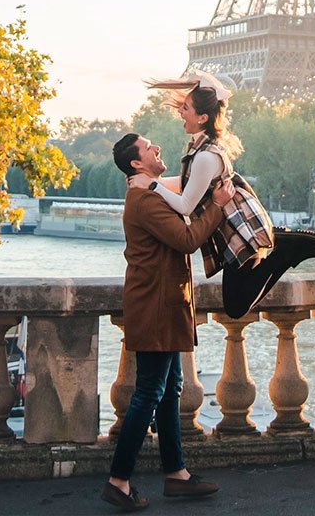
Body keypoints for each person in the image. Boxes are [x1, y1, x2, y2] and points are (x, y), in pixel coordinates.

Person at [129, 72, 315, 319]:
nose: (180, 113)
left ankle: (286, 249)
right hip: (233, 227)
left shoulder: (204, 156)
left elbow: (184, 206)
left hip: (238, 228)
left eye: (186, 108)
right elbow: (188, 184)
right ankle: (282, 243)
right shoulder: (201, 149)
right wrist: (152, 181)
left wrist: (152, 186)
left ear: (203, 117)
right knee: (238, 301)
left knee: (236, 306)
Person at [102, 132, 236, 511]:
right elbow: (188, 237)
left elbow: (186, 187)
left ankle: (176, 473)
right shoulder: (144, 200)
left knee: (170, 387)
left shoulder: (150, 192)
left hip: (163, 305)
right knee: (148, 393)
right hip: (157, 308)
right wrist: (220, 205)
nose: (156, 148)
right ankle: (118, 480)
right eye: (148, 148)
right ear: (136, 163)